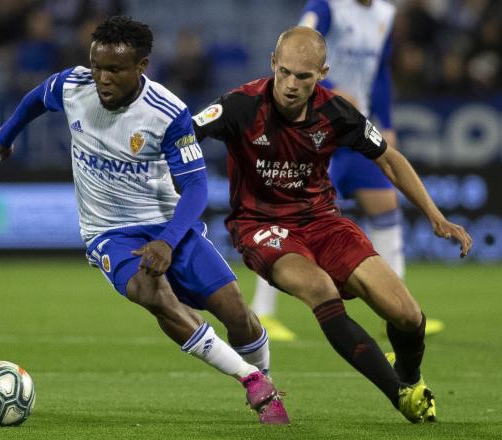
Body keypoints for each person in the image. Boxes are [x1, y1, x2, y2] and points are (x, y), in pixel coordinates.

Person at [0, 16, 289, 425]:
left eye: (114, 69)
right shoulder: (73, 86)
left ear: (142, 66)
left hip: (168, 222)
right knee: (153, 294)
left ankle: (268, 384)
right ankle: (250, 379)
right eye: (97, 66)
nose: (101, 78)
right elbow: (37, 98)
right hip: (108, 232)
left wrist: (167, 240)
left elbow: (197, 188)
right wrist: (7, 134)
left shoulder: (167, 113)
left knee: (237, 313)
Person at [192, 26, 472, 423]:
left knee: (408, 316)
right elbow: (184, 136)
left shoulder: (336, 112)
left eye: (303, 76)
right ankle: (400, 397)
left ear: (321, 73)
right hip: (261, 225)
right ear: (273, 63)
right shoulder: (239, 105)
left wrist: (436, 216)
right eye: (284, 72)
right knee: (321, 290)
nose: (290, 85)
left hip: (323, 221)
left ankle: (409, 378)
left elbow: (389, 158)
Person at [249, 0, 444, 341]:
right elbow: (299, 47)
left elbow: (380, 74)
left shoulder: (385, 15)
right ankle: (263, 312)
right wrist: (331, 88)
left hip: (356, 128)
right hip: (317, 127)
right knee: (287, 216)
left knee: (386, 205)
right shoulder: (327, 7)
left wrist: (387, 123)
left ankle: (393, 309)